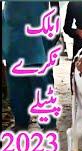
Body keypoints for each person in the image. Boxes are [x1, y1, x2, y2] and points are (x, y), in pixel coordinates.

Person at [2, 2, 59, 131]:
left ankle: (49, 124)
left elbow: (54, 6)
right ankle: (21, 123)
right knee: (17, 90)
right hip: (12, 41)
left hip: (37, 41)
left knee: (42, 87)